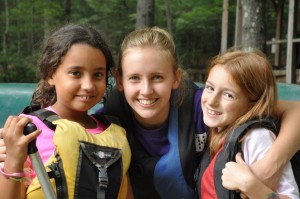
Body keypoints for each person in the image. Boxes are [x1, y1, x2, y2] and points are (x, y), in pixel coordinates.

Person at [99, 27, 300, 199]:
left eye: (157, 77)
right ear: (119, 80)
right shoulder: (108, 119)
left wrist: (268, 169)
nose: (146, 90)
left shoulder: (204, 106)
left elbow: (294, 109)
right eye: (134, 78)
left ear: (176, 78)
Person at [0, 24, 132, 199]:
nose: (88, 85)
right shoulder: (28, 130)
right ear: (50, 74)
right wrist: (13, 161)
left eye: (98, 74)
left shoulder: (114, 133)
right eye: (76, 73)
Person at [200, 50, 299, 198]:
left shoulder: (257, 137)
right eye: (210, 88)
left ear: (253, 103)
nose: (212, 101)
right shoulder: (221, 126)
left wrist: (252, 186)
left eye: (228, 95)